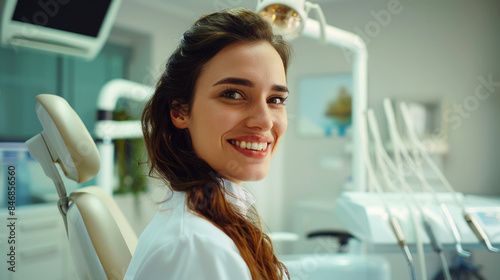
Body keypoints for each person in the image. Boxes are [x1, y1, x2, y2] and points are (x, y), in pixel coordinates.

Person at [124, 7, 292, 280]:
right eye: (233, 94)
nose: (264, 121)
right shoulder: (197, 246)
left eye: (275, 99)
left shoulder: (213, 222)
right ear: (180, 111)